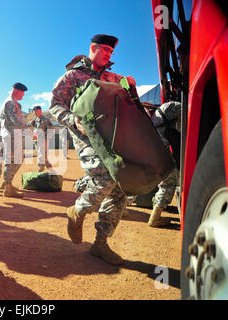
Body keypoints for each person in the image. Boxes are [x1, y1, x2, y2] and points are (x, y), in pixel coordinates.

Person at [49, 34, 138, 266]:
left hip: (111, 136)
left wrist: (130, 85)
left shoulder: (112, 77)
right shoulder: (72, 76)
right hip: (85, 137)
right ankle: (77, 210)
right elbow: (55, 105)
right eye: (105, 50)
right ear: (93, 48)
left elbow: (126, 97)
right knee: (106, 176)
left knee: (121, 184)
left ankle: (100, 243)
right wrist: (72, 119)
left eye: (111, 51)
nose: (109, 54)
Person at [147, 101, 181, 227]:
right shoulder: (176, 107)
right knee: (168, 185)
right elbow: (186, 126)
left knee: (147, 181)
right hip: (162, 156)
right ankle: (155, 218)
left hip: (153, 154)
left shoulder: (158, 114)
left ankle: (130, 201)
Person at [0, 82, 32, 198]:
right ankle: (7, 187)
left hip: (13, 135)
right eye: (23, 93)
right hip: (11, 136)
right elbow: (15, 119)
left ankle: (7, 183)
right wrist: (28, 131)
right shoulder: (10, 103)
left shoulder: (13, 103)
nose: (23, 95)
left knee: (14, 160)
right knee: (14, 160)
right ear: (17, 91)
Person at [30, 105, 54, 172]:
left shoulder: (45, 120)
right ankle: (51, 169)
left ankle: (40, 169)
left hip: (43, 140)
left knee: (41, 155)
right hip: (37, 140)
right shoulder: (35, 119)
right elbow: (36, 128)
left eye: (36, 112)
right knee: (42, 154)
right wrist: (32, 124)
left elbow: (52, 130)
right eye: (34, 112)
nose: (35, 113)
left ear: (40, 111)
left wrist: (46, 139)